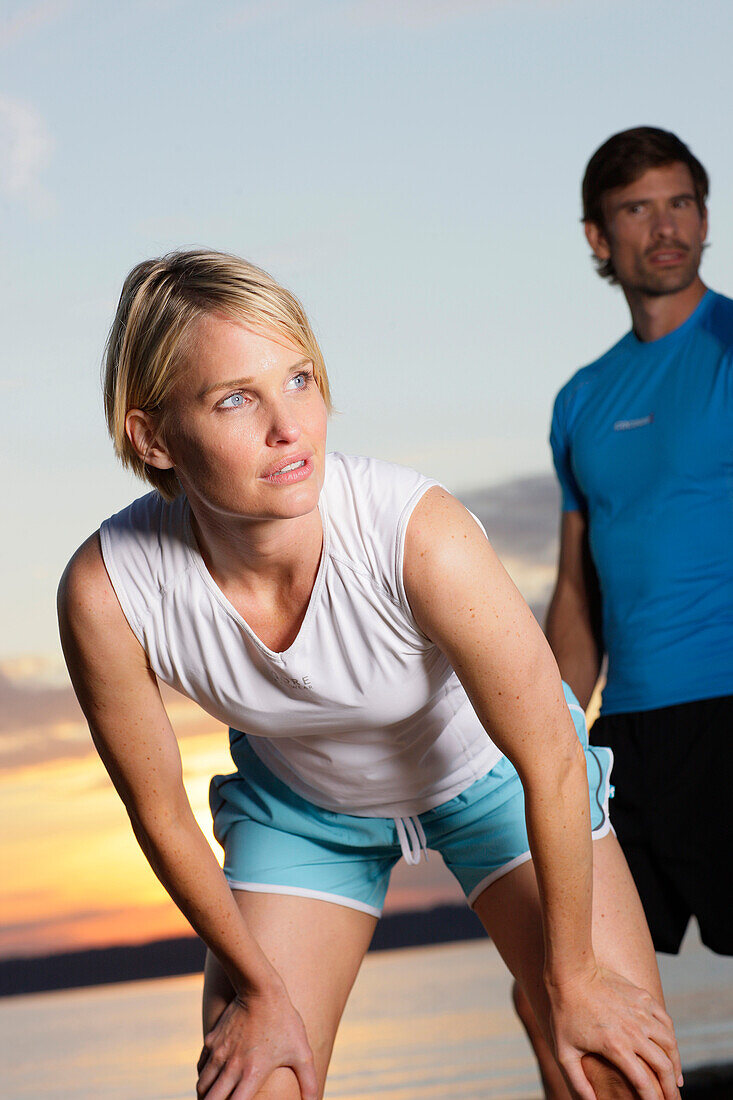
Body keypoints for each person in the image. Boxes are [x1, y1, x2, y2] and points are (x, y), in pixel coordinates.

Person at [58, 249, 682, 1100]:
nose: (290, 427)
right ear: (152, 436)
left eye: (300, 379)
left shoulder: (415, 532)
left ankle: (539, 1002)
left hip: (494, 778)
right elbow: (159, 814)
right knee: (257, 1080)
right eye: (236, 398)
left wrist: (569, 976)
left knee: (615, 1072)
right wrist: (265, 993)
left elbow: (552, 756)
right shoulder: (107, 591)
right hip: (304, 812)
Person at [513, 126, 733, 1097]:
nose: (667, 226)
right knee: (559, 985)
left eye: (681, 201)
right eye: (637, 208)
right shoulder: (581, 400)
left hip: (730, 711)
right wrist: (551, 739)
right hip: (629, 738)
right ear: (598, 239)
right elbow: (576, 586)